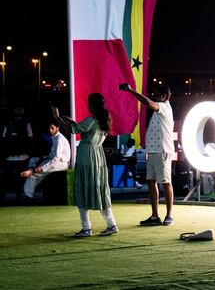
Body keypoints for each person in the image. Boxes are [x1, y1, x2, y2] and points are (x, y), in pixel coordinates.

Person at [54, 95, 118, 237]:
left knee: (82, 190)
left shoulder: (91, 120)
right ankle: (111, 224)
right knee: (100, 191)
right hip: (98, 157)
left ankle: (86, 228)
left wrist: (57, 118)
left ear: (92, 106)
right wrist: (73, 123)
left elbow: (72, 130)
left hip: (86, 156)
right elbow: (78, 128)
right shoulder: (104, 120)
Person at [120, 83, 175, 226]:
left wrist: (131, 91)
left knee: (166, 182)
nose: (154, 97)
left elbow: (147, 103)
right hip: (152, 152)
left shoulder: (164, 107)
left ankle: (169, 215)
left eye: (156, 95)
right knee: (151, 182)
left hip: (163, 150)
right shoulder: (159, 109)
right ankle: (155, 216)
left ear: (163, 97)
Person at [20, 119, 70, 199]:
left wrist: (42, 168)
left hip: (60, 164)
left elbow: (56, 158)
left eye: (52, 128)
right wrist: (42, 159)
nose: (50, 130)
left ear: (58, 128)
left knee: (34, 175)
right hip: (55, 162)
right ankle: (31, 171)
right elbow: (51, 155)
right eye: (49, 128)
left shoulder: (60, 139)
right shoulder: (54, 138)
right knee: (33, 160)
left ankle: (28, 197)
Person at [2, 107, 34, 203]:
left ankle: (14, 197)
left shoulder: (8, 124)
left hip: (15, 157)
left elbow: (4, 139)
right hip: (18, 157)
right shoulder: (25, 124)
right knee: (19, 178)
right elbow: (31, 139)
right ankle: (19, 197)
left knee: (10, 178)